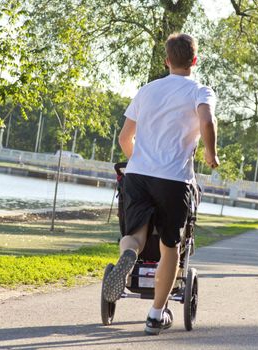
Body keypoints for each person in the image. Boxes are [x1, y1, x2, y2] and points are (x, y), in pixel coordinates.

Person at [102, 33, 219, 336]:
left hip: (138, 175)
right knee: (170, 247)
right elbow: (206, 121)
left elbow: (124, 138)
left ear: (166, 60)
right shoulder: (200, 91)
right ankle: (156, 315)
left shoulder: (147, 90)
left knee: (134, 235)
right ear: (195, 60)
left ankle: (128, 257)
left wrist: (139, 161)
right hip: (174, 178)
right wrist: (210, 152)